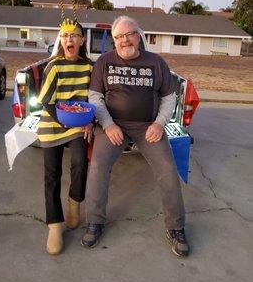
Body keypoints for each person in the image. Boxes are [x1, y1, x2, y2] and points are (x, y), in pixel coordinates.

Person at [81, 15, 189, 257]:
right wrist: (107, 125)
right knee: (97, 166)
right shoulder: (104, 63)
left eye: (129, 34)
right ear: (114, 41)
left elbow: (169, 97)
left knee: (168, 170)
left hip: (147, 127)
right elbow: (95, 97)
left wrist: (160, 124)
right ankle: (95, 222)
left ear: (138, 36)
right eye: (119, 37)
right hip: (113, 125)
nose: (124, 40)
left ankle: (176, 228)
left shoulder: (156, 63)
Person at [38, 19, 93, 255]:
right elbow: (47, 100)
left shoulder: (90, 67)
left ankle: (74, 203)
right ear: (61, 41)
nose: (69, 39)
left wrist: (90, 120)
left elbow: (95, 99)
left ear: (82, 40)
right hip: (53, 122)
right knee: (52, 174)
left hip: (79, 125)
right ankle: (54, 225)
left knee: (81, 164)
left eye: (74, 35)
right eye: (65, 36)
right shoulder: (53, 66)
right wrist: (64, 118)